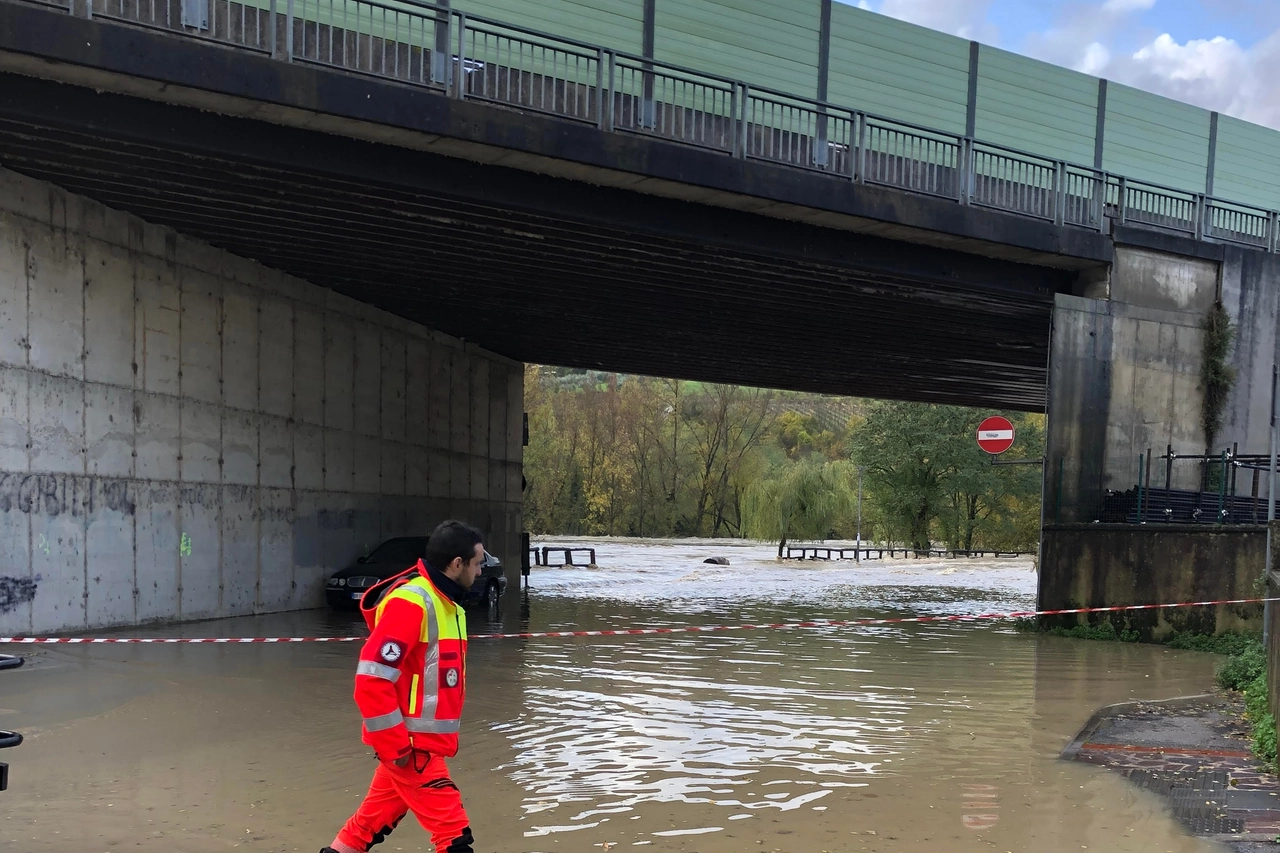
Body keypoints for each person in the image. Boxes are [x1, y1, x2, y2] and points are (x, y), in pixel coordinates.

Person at [320, 520, 485, 853]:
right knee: (454, 837)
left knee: (365, 827)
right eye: (478, 563)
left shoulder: (450, 606)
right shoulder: (412, 603)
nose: (481, 571)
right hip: (411, 750)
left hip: (417, 747)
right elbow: (371, 680)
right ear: (457, 565)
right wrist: (396, 748)